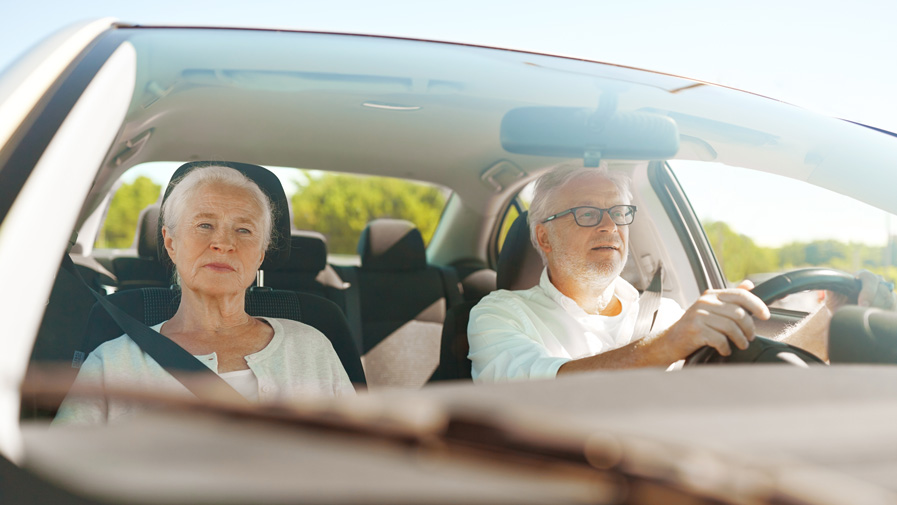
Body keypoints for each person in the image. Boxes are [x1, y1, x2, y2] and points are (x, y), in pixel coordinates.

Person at [468, 164, 896, 382]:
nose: (610, 226)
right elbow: (530, 388)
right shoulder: (500, 314)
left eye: (619, 212)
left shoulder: (661, 314)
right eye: (586, 213)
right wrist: (669, 345)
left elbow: (737, 388)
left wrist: (828, 322)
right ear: (543, 238)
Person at [55, 165, 354, 424]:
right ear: (171, 243)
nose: (223, 243)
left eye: (244, 230)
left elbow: (359, 460)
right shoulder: (113, 363)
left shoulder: (312, 348)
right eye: (205, 225)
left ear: (260, 254)